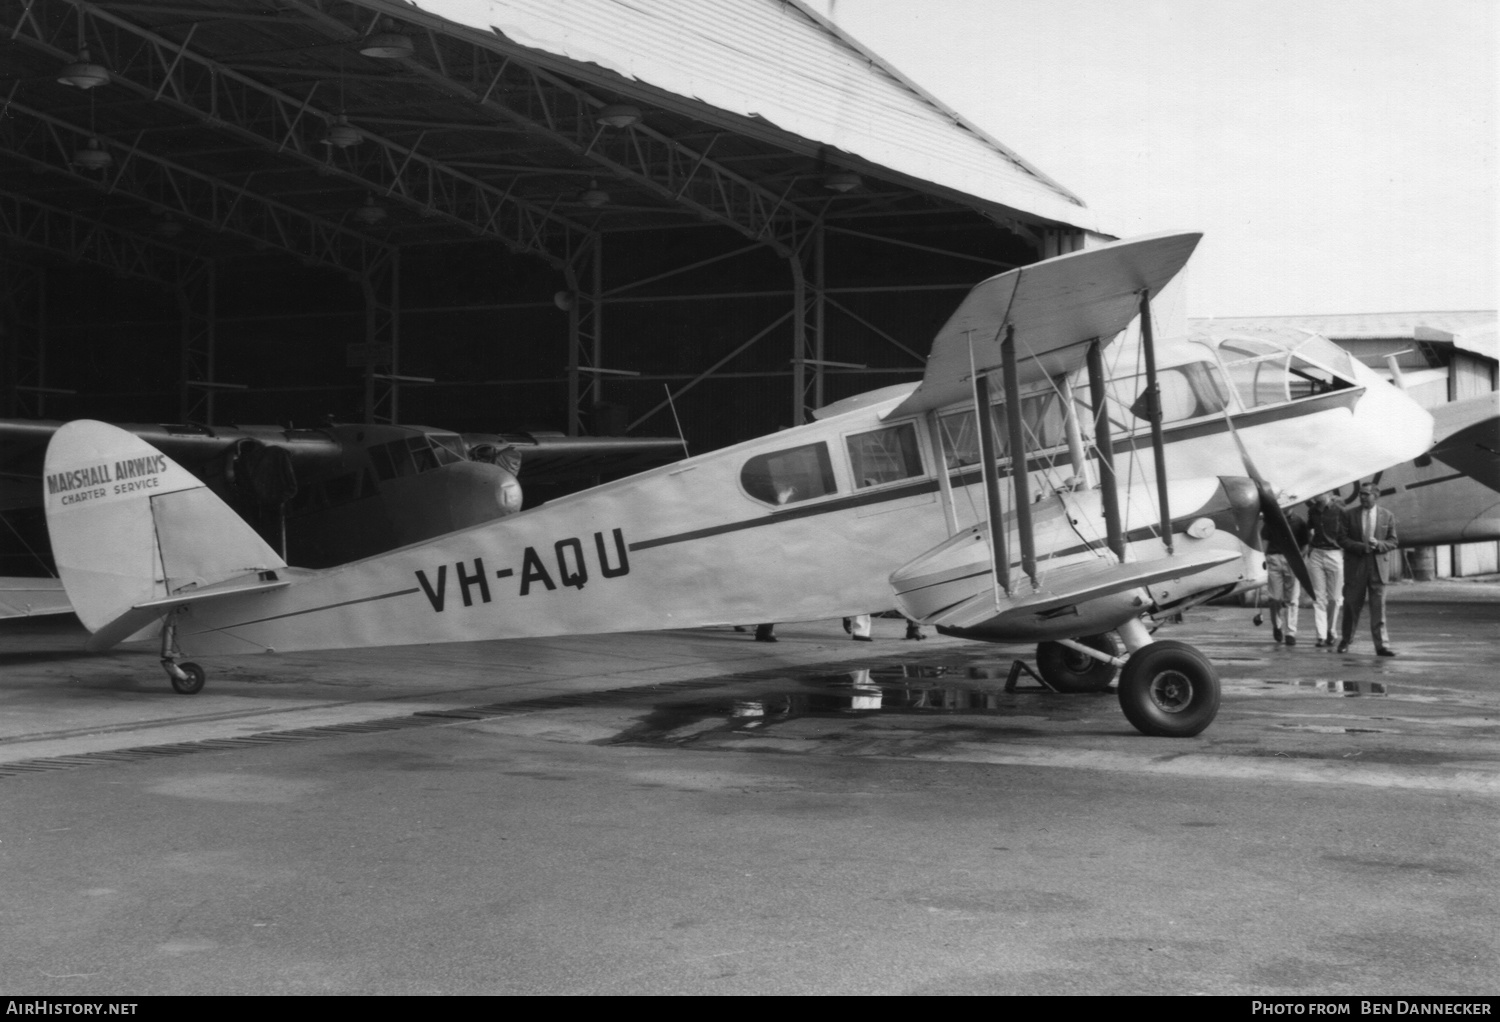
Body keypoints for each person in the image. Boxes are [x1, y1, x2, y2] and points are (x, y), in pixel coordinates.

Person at [1338, 482, 1399, 656]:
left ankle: (1381, 645)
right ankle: (1345, 640)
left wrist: (1378, 544)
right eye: (1361, 494)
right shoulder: (1349, 515)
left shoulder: (1387, 516)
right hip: (1356, 564)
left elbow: (1393, 541)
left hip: (1378, 566)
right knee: (1351, 604)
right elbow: (1341, 539)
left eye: (1366, 494)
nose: (1362, 497)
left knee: (1378, 607)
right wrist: (1360, 546)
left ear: (1375, 496)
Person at [1260, 506, 1309, 646]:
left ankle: (1290, 632)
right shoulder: (1271, 521)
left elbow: (1305, 545)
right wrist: (1263, 559)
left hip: (1292, 559)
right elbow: (1265, 541)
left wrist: (1299, 560)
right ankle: (1277, 625)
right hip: (1274, 559)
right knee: (1274, 598)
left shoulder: (1299, 522)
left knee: (1292, 599)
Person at [1304, 491, 1347, 647]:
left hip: (1334, 553)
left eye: (1319, 491)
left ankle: (1331, 630)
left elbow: (1348, 530)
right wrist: (1310, 545)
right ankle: (1321, 635)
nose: (1314, 495)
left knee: (1335, 598)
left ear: (1328, 492)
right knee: (1318, 597)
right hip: (1316, 554)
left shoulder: (1340, 510)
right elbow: (1309, 528)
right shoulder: (1312, 511)